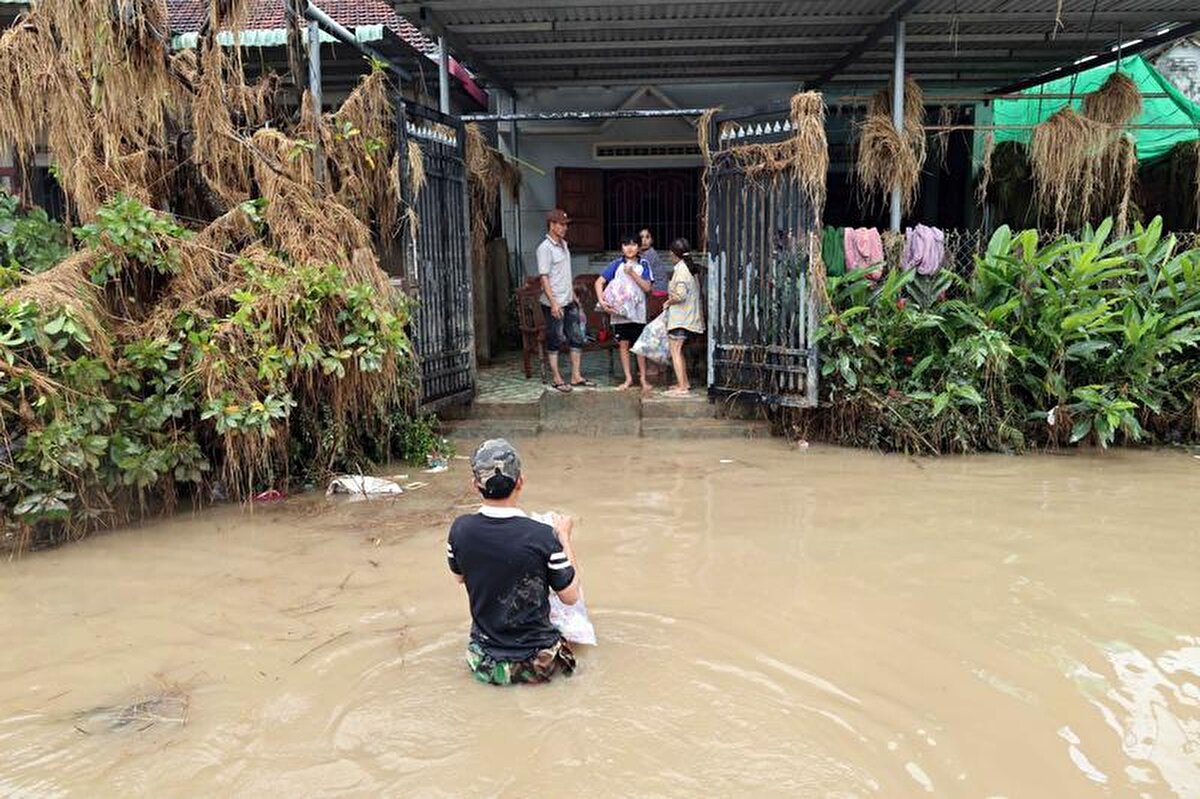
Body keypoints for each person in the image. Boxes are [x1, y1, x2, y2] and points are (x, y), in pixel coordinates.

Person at [447, 439, 581, 685]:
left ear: (475, 485)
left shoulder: (459, 530)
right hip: (540, 664)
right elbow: (570, 597)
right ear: (520, 481)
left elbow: (459, 577)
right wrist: (564, 538)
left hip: (485, 665)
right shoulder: (543, 535)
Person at [536, 208, 594, 393]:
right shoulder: (544, 248)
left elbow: (563, 273)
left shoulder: (564, 245)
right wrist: (553, 303)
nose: (564, 228)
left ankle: (576, 376)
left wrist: (573, 295)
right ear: (552, 225)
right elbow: (544, 278)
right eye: (560, 225)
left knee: (576, 337)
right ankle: (556, 377)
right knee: (555, 339)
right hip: (553, 303)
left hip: (568, 300)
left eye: (565, 225)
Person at [595, 233, 654, 392]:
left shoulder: (644, 264)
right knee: (623, 344)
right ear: (621, 247)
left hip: (638, 313)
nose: (629, 248)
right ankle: (628, 378)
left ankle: (643, 378)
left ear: (639, 247)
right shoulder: (615, 264)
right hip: (619, 314)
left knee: (639, 347)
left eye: (633, 244)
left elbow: (648, 288)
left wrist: (633, 274)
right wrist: (602, 301)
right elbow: (599, 282)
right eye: (626, 244)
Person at [661, 238, 706, 396]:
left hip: (681, 318)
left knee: (675, 350)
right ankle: (684, 383)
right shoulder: (689, 269)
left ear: (673, 254)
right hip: (687, 317)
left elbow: (680, 295)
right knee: (678, 351)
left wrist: (668, 302)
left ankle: (682, 387)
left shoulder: (681, 270)